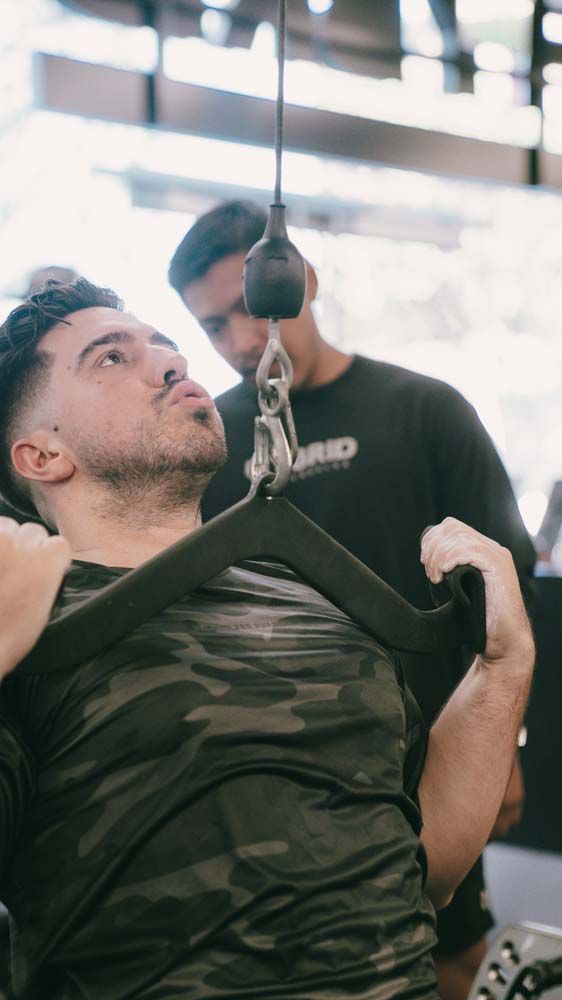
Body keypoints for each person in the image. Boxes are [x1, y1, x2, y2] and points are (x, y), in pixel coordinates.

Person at [0, 279, 535, 1000]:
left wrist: (502, 669)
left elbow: (427, 863)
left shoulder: (317, 600)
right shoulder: (29, 628)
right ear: (40, 457)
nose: (170, 365)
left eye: (167, 349)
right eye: (110, 360)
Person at [169, 200, 538, 1000]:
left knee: (448, 959)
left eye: (250, 307)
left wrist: (504, 742)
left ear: (304, 280)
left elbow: (505, 593)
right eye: (213, 326)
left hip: (426, 757)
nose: (239, 340)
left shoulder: (424, 410)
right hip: (264, 776)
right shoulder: (210, 447)